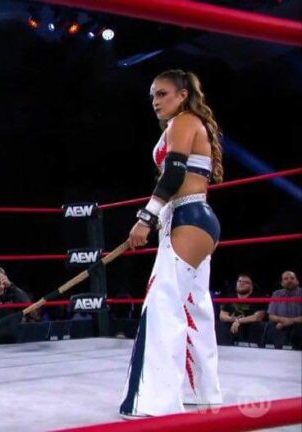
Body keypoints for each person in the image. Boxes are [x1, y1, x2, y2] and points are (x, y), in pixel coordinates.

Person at [120, 70, 224, 417]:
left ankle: (153, 403)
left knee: (162, 307)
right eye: (152, 95)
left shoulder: (183, 121)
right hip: (195, 220)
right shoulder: (189, 123)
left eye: (162, 93)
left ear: (182, 94)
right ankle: (201, 394)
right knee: (195, 308)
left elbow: (175, 173)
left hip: (187, 218)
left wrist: (145, 218)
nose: (155, 101)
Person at [218, 274, 266, 345]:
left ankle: (252, 348)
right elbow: (222, 316)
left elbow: (258, 317)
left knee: (256, 325)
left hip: (249, 327)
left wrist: (238, 321)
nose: (241, 283)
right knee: (222, 324)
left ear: (251, 286)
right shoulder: (231, 297)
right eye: (239, 281)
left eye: (245, 282)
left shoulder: (258, 297)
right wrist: (232, 319)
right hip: (233, 326)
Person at [266, 270, 302, 349]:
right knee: (270, 326)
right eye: (286, 279)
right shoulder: (276, 294)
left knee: (298, 329)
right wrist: (284, 321)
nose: (289, 280)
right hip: (280, 325)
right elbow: (271, 316)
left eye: (292, 278)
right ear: (282, 283)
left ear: (297, 281)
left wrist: (289, 321)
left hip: (298, 325)